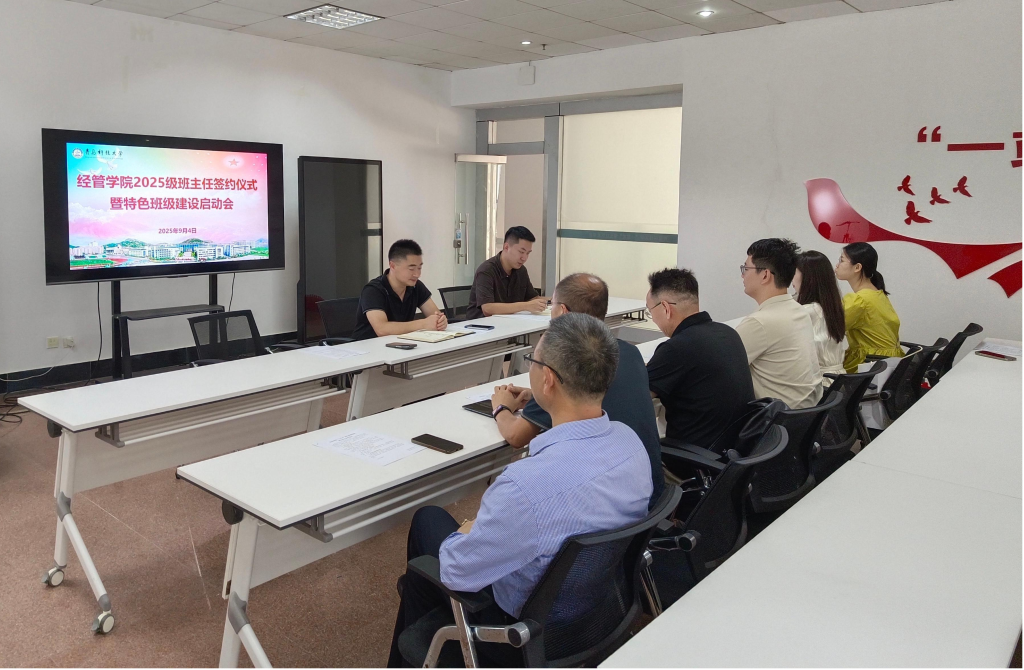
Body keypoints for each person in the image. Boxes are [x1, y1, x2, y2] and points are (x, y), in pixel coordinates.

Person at [387, 314, 652, 667]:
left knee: (428, 525)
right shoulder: (631, 444)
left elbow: (455, 571)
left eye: (533, 362)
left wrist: (469, 529)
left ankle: (424, 648)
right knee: (422, 578)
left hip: (522, 637)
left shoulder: (524, 488)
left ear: (548, 380)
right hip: (597, 613)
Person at [490, 273, 664, 505]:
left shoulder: (566, 367)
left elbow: (515, 436)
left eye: (552, 305)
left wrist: (501, 407)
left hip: (600, 496)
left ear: (563, 312)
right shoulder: (630, 353)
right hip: (642, 491)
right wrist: (535, 395)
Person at [645, 267, 755, 452]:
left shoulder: (676, 348)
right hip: (737, 453)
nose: (653, 319)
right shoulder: (728, 333)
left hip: (693, 459)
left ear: (665, 308)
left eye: (650, 311)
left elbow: (638, 394)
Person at [736, 238, 822, 409]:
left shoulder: (759, 323)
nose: (742, 275)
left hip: (775, 419)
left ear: (765, 275)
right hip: (806, 415)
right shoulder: (799, 311)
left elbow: (718, 368)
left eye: (746, 268)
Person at [353, 239, 447, 341]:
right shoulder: (373, 290)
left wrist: (440, 321)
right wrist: (423, 324)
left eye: (419, 268)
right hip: (368, 346)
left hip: (400, 343)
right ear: (392, 266)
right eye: (411, 269)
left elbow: (435, 314)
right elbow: (382, 329)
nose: (417, 274)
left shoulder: (415, 286)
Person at [835, 242, 903, 373]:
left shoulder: (860, 301)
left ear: (857, 267)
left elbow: (831, 329)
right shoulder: (878, 294)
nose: (837, 265)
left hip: (869, 367)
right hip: (888, 365)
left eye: (841, 260)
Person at [466, 226, 547, 319]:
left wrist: (555, 301)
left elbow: (533, 298)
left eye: (528, 253)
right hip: (482, 325)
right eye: (521, 252)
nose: (524, 258)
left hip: (509, 322)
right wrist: (526, 306)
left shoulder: (521, 270)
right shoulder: (486, 270)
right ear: (506, 247)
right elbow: (487, 309)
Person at [793, 251, 848, 379]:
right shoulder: (832, 307)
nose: (792, 278)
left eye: (794, 272)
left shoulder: (807, 311)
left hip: (818, 382)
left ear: (807, 277)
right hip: (837, 381)